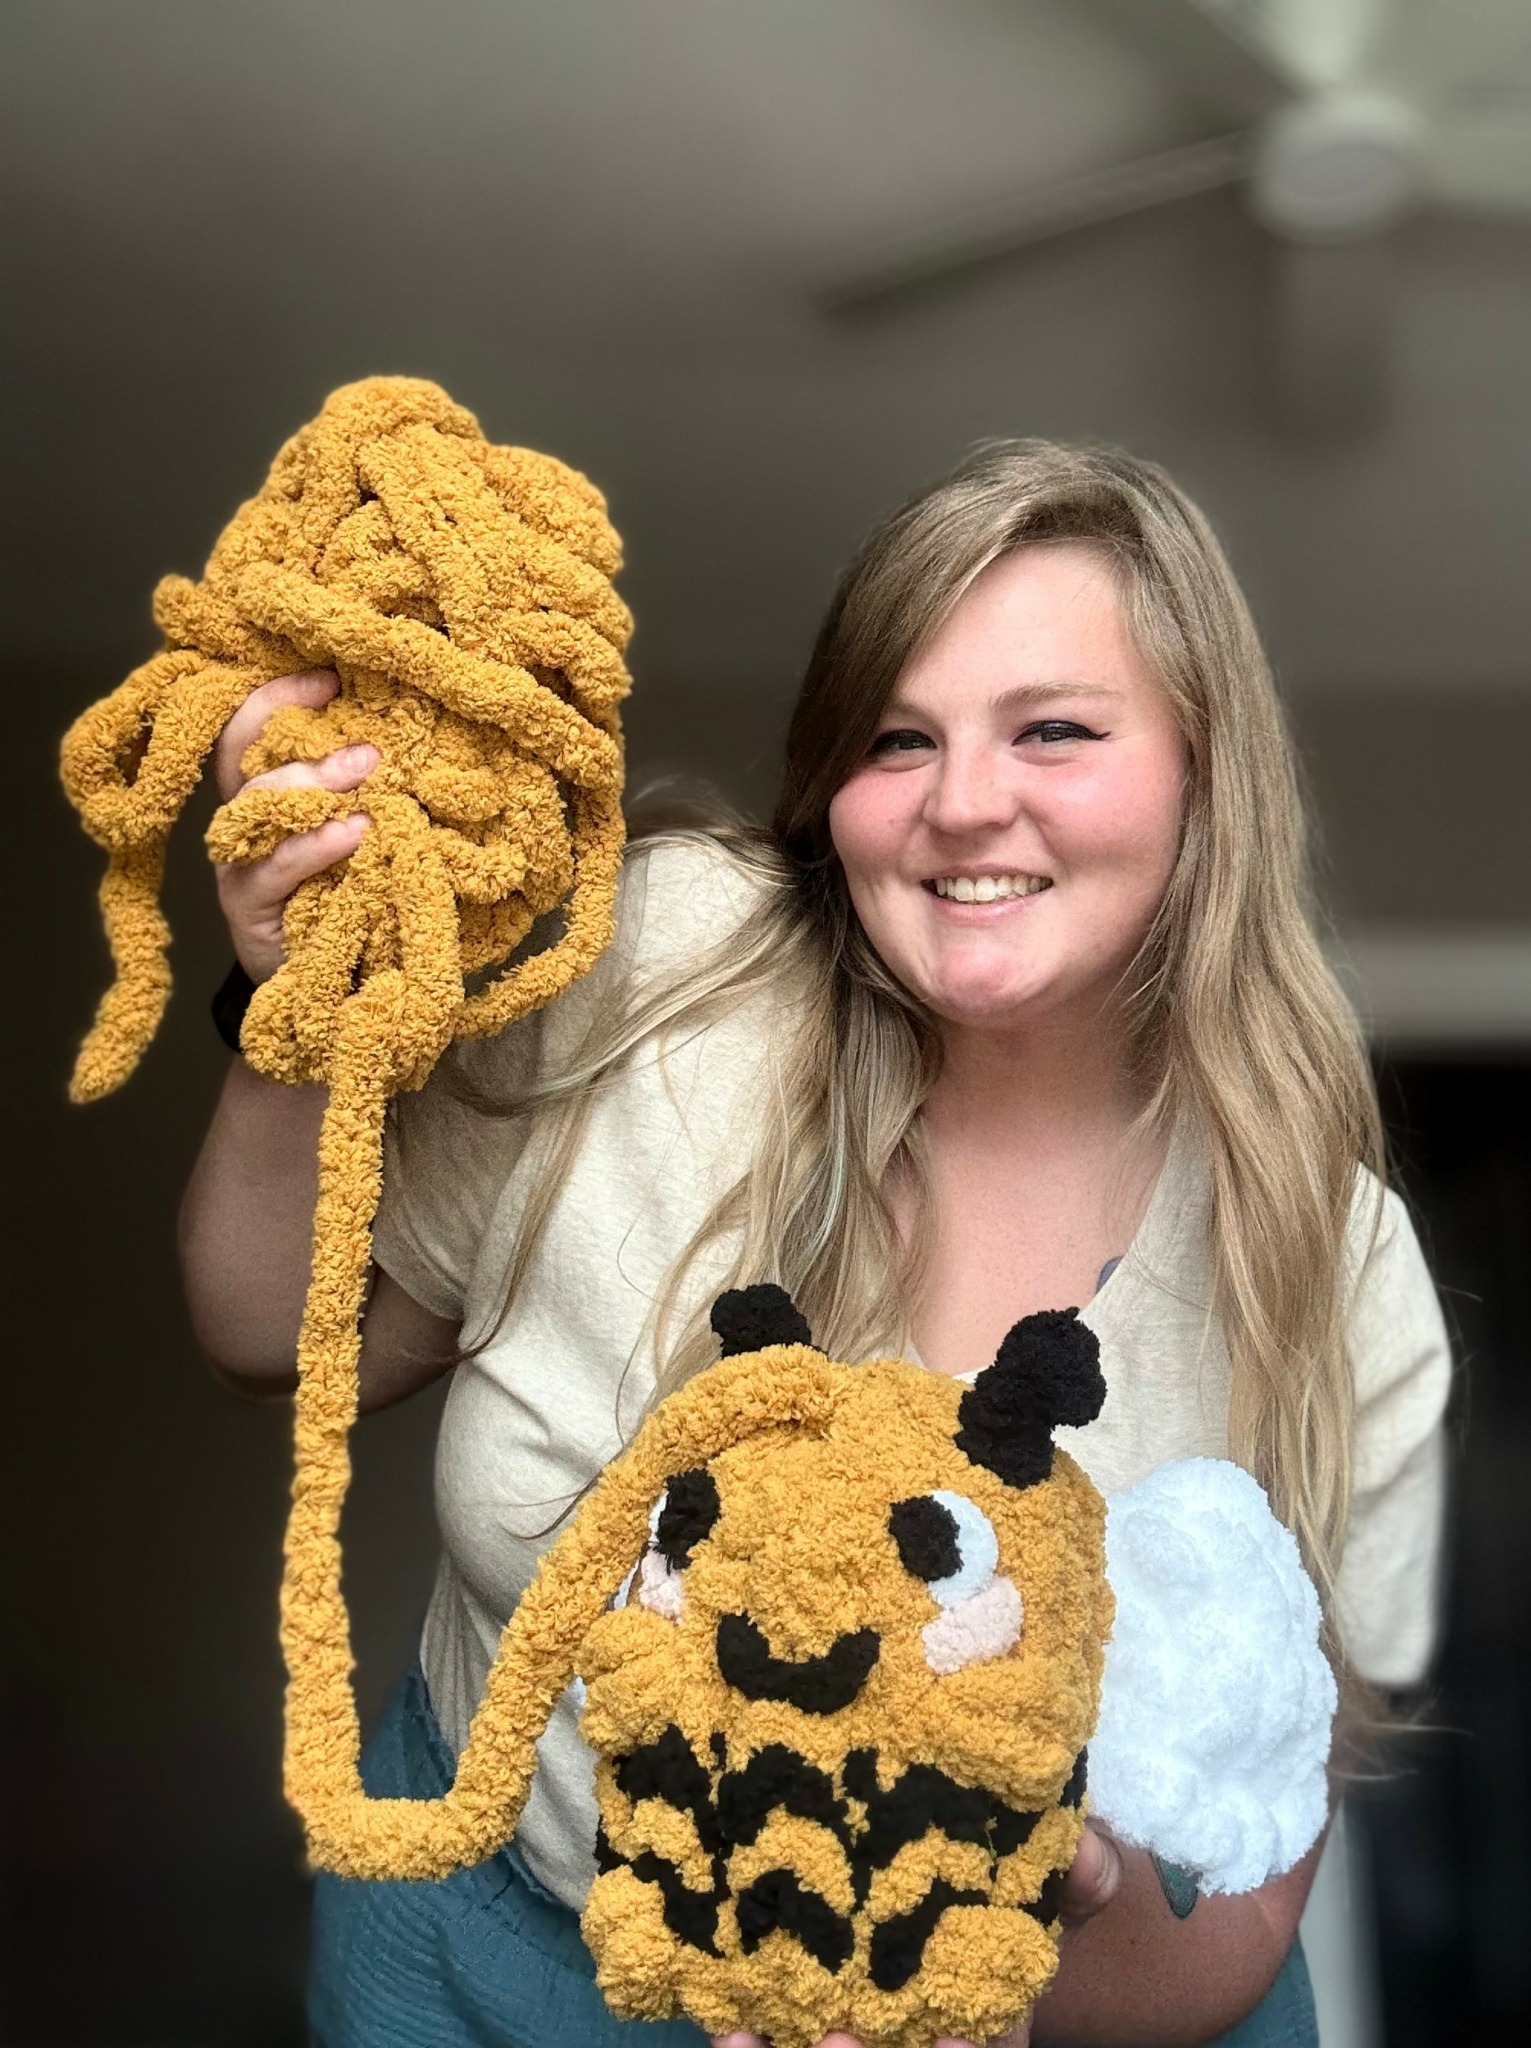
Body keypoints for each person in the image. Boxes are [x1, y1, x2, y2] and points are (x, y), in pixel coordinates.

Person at [180, 442, 1451, 2048]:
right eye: (898, 738)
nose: (963, 802)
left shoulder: (1329, 1257)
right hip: (486, 1956)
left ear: (1208, 775)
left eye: (1054, 730)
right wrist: (302, 1002)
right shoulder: (664, 969)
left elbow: (1253, 1894)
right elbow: (280, 1343)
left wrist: (990, 1965)